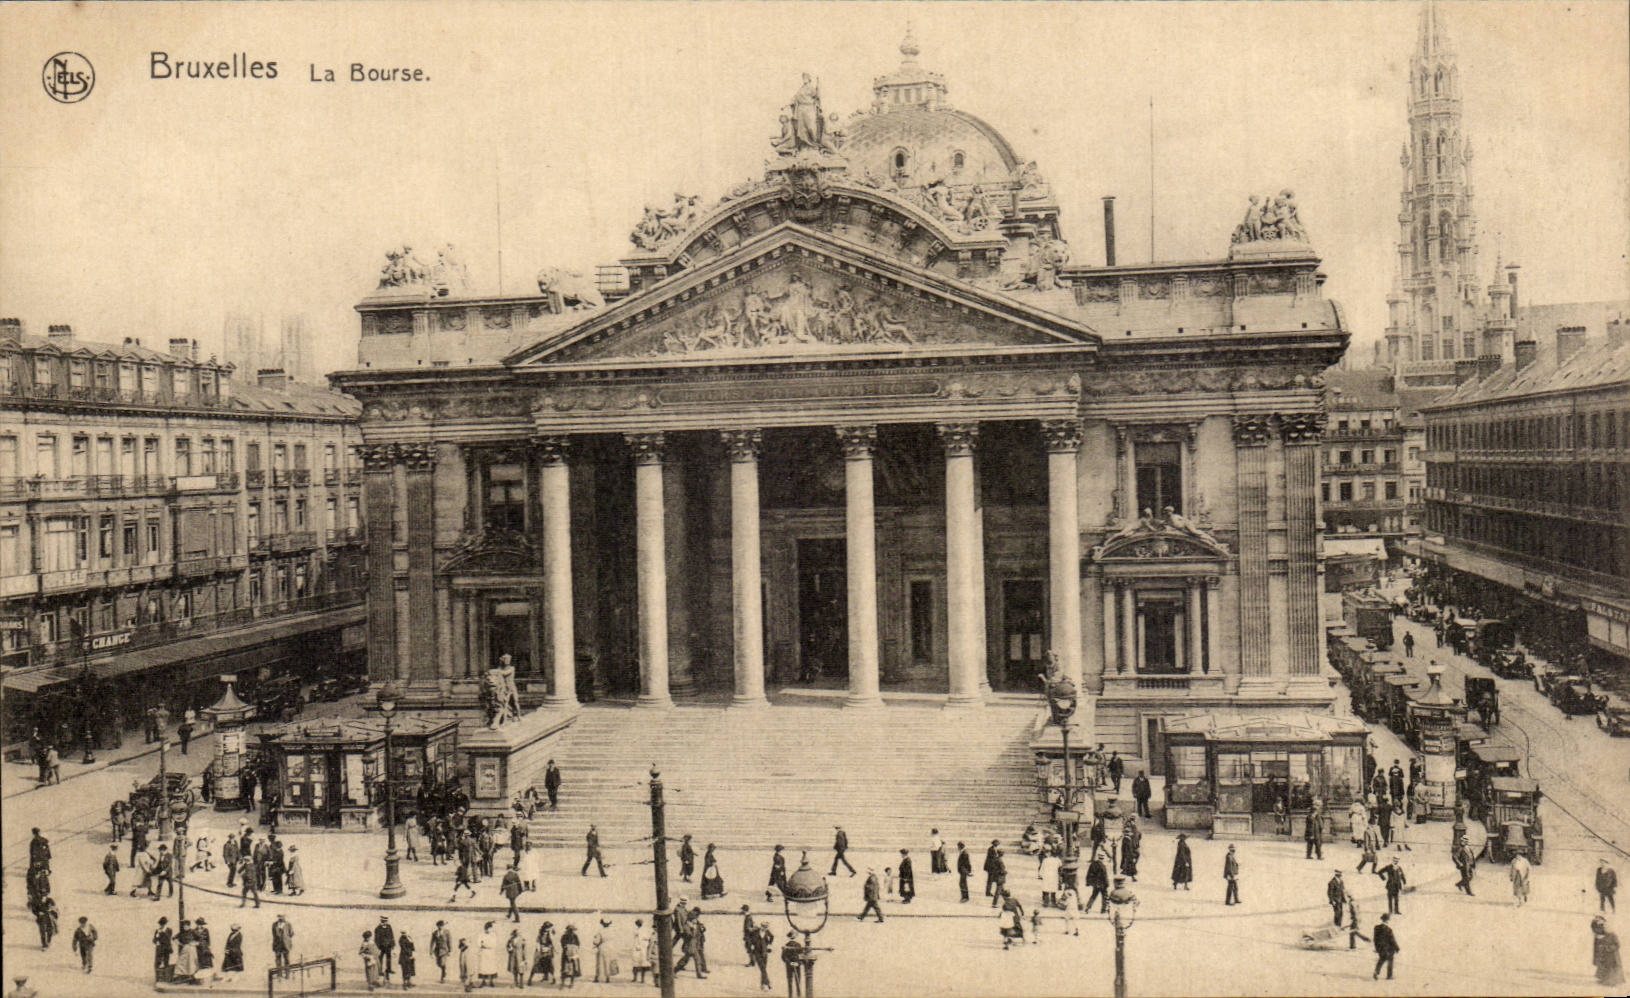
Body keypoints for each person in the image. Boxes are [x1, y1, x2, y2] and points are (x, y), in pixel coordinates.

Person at [1594, 915, 1625, 988]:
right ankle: (1604, 980)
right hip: (1607, 955)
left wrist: (1609, 948)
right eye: (1604, 928)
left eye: (1606, 928)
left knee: (1613, 968)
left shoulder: (1613, 935)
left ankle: (1613, 982)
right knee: (1605, 967)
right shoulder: (1605, 935)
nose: (1605, 929)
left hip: (1613, 955)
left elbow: (1617, 945)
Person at [1372, 912, 1400, 980]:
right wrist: (1397, 948)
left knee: (1382, 959)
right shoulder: (1388, 929)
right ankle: (1389, 975)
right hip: (1388, 949)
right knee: (1390, 960)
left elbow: (1375, 939)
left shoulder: (1376, 928)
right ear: (1387, 920)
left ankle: (1376, 971)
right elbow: (1392, 940)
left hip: (1380, 948)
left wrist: (1377, 948)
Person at [530, 921, 557, 985]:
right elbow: (537, 941)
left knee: (550, 964)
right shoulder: (541, 934)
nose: (548, 929)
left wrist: (551, 948)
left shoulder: (551, 934)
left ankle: (552, 978)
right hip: (541, 950)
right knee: (537, 963)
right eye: (548, 928)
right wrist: (539, 948)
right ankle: (530, 979)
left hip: (549, 950)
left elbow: (553, 942)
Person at [477, 921, 501, 989]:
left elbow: (494, 944)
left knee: (491, 967)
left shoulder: (493, 935)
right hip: (484, 952)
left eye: (490, 928)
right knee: (483, 967)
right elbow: (479, 943)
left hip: (491, 952)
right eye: (487, 928)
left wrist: (485, 944)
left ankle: (491, 981)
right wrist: (482, 945)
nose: (488, 930)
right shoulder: (481, 934)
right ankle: (483, 981)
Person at [174, 920, 200, 984]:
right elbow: (174, 938)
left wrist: (195, 943)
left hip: (192, 949)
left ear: (189, 926)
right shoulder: (181, 932)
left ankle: (192, 977)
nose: (185, 927)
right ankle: (180, 976)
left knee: (191, 963)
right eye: (184, 926)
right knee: (181, 962)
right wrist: (180, 944)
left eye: (186, 925)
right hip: (185, 949)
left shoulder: (193, 931)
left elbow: (200, 938)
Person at [782, 932, 804, 998]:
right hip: (790, 966)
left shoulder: (798, 945)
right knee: (791, 981)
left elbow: (801, 956)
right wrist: (792, 963)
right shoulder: (787, 945)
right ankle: (792, 996)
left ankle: (797, 995)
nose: (793, 937)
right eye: (793, 935)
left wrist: (798, 963)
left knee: (795, 981)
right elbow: (784, 957)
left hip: (795, 965)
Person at [560, 923, 582, 987]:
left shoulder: (575, 936)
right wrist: (567, 948)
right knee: (564, 967)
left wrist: (574, 948)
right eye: (570, 930)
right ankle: (563, 982)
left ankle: (571, 982)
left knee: (573, 968)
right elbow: (562, 944)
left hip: (574, 954)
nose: (571, 931)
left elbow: (578, 944)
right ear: (568, 930)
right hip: (566, 954)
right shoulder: (564, 936)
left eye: (572, 930)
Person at [374, 916, 396, 982]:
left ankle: (388, 969)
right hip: (381, 946)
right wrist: (377, 947)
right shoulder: (378, 928)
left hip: (388, 946)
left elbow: (392, 936)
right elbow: (376, 939)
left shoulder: (389, 927)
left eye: (386, 921)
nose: (385, 922)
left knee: (389, 958)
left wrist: (392, 945)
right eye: (384, 921)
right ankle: (380, 970)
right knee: (380, 958)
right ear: (381, 921)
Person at [630, 919, 651, 985]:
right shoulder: (637, 931)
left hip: (642, 948)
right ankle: (638, 978)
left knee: (641, 964)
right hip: (638, 948)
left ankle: (640, 978)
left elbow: (648, 938)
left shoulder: (643, 930)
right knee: (637, 964)